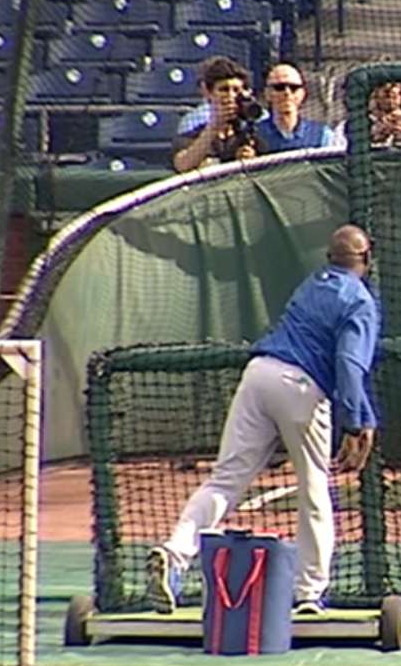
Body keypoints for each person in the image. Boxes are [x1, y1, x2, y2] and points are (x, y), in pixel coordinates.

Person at [146, 225, 381, 614]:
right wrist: (358, 421)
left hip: (258, 375)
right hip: (301, 386)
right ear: (367, 260)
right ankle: (308, 593)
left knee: (225, 479)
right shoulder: (359, 300)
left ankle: (175, 556)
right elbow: (349, 363)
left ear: (329, 258)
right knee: (313, 488)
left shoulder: (311, 284)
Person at [171, 56, 261, 172]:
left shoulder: (251, 135)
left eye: (236, 90)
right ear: (208, 92)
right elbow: (183, 164)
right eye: (224, 90)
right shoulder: (191, 134)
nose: (230, 96)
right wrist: (214, 127)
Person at [254, 63, 339, 153]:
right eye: (279, 87)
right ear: (267, 93)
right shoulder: (254, 135)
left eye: (294, 88)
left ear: (302, 94)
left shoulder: (323, 135)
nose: (287, 93)